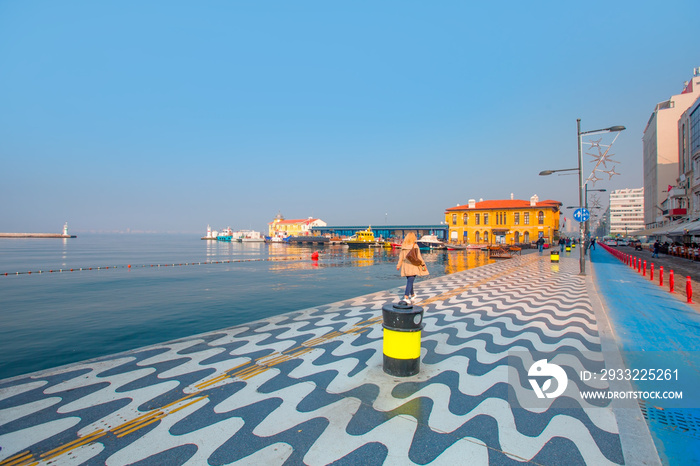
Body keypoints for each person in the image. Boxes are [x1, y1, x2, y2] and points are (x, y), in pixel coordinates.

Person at [396, 232, 429, 304]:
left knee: (410, 281)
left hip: (405, 266)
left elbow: (400, 257)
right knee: (410, 281)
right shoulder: (415, 246)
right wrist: (423, 264)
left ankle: (413, 295)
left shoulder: (403, 246)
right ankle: (406, 297)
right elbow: (419, 257)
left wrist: (398, 265)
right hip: (413, 265)